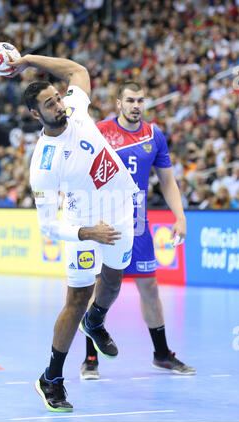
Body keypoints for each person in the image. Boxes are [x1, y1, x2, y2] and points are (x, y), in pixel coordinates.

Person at [8, 55, 139, 412]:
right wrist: (87, 232)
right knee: (76, 299)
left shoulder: (77, 109)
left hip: (121, 210)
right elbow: (47, 225)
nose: (58, 105)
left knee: (112, 282)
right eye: (49, 104)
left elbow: (78, 71)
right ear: (36, 115)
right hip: (84, 222)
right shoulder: (44, 163)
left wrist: (27, 60)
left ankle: (95, 321)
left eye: (57, 97)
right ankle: (50, 378)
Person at [80, 81, 196, 380]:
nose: (135, 106)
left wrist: (180, 217)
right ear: (118, 102)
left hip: (138, 224)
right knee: (97, 287)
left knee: (150, 288)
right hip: (105, 223)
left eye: (140, 100)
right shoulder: (101, 131)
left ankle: (161, 355)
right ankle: (90, 358)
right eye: (130, 100)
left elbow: (168, 181)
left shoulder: (154, 135)